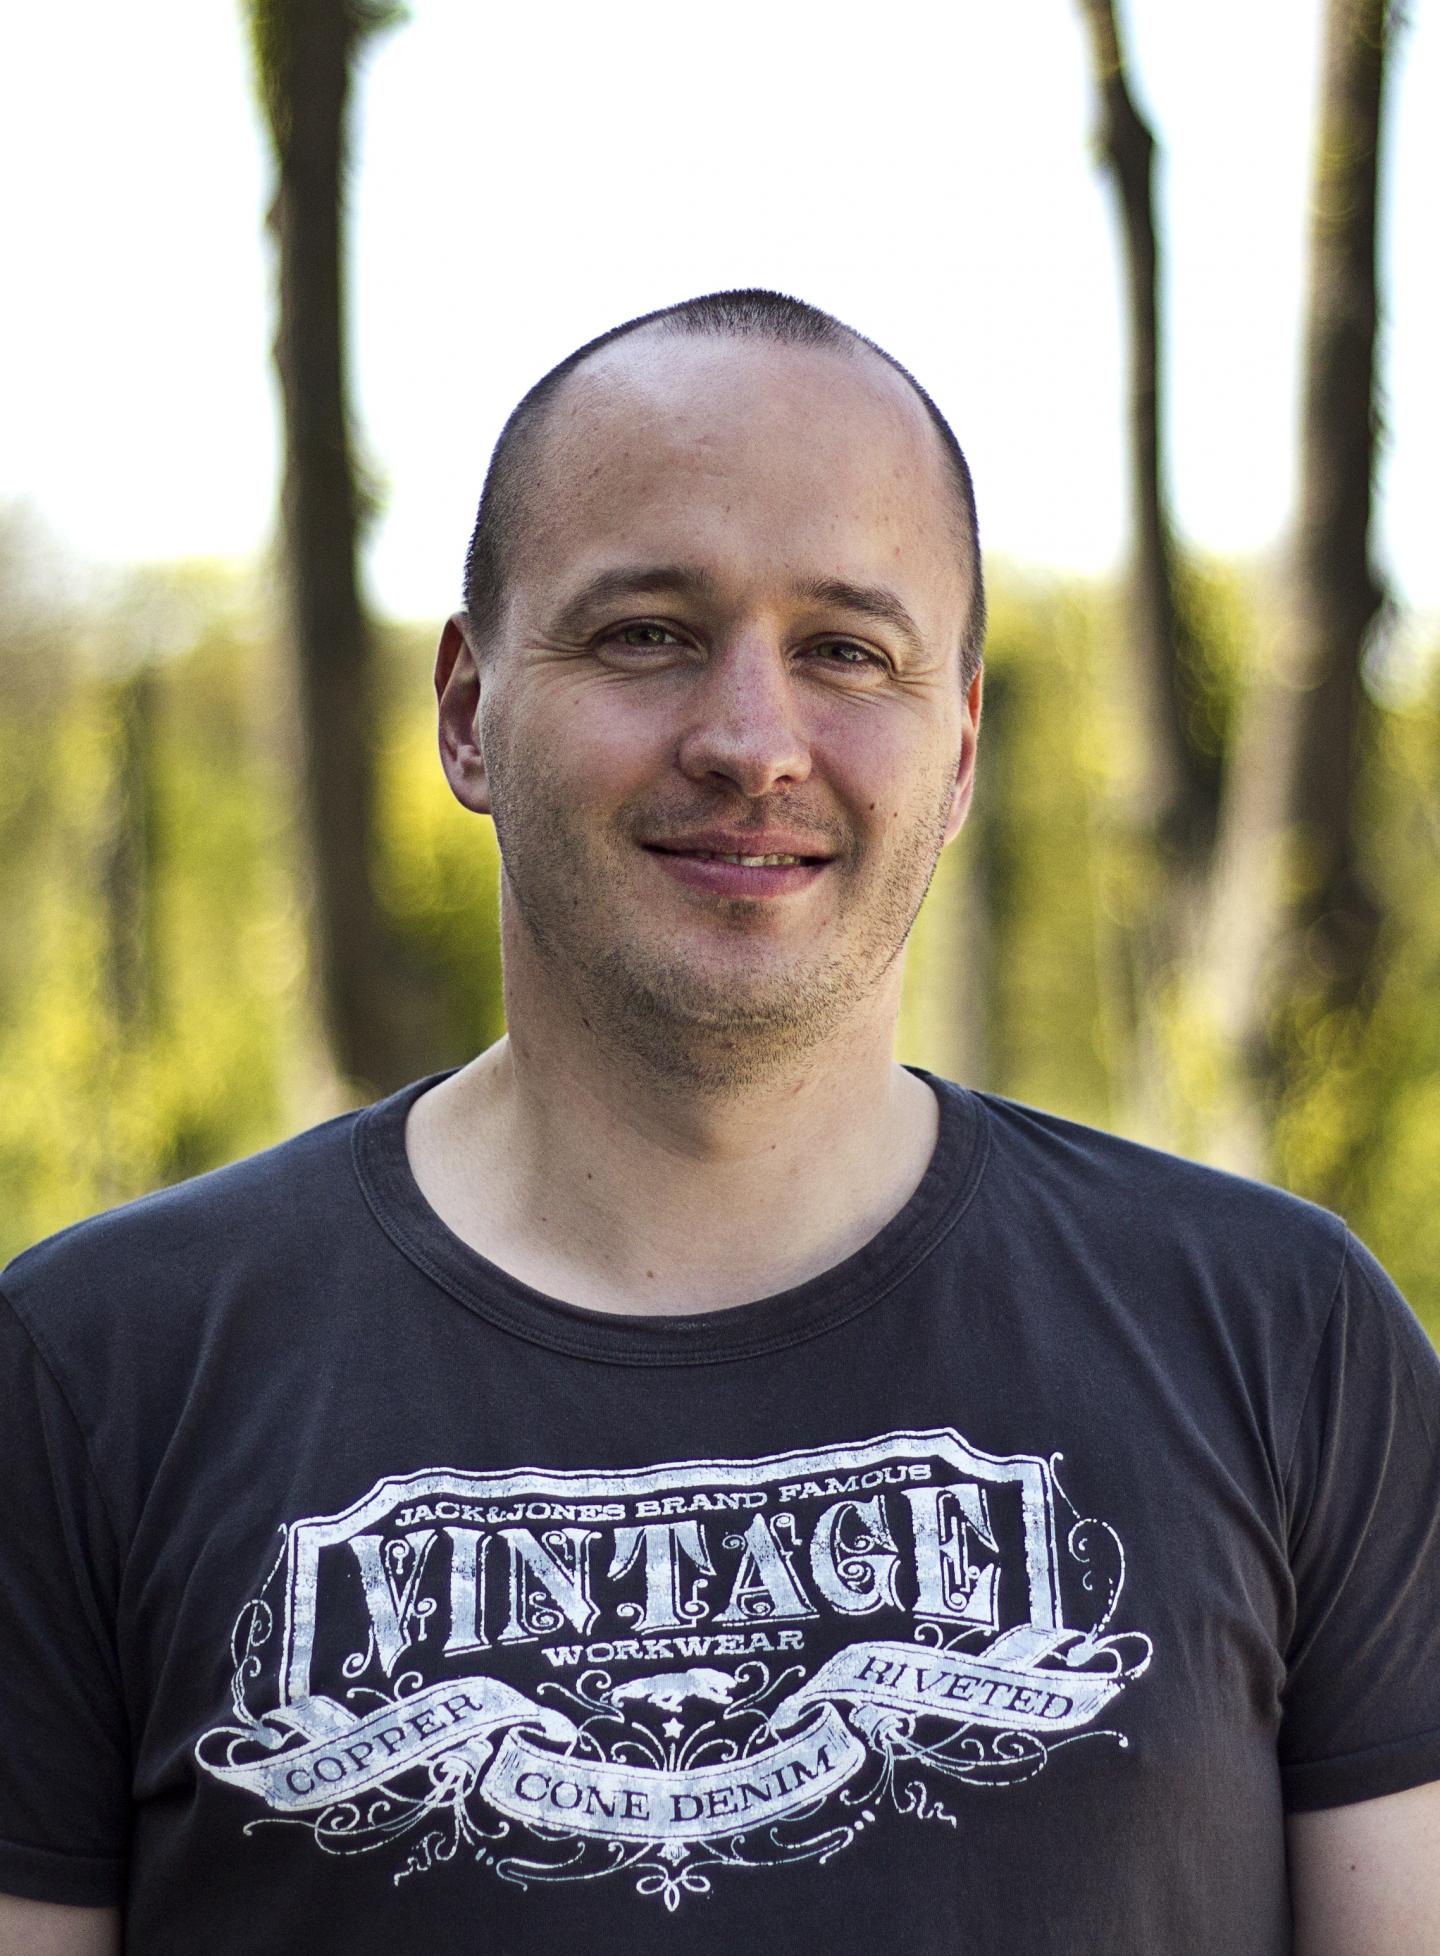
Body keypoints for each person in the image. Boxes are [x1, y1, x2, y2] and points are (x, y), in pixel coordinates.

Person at [2, 289, 1437, 1956]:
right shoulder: (92, 1374)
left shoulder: (1282, 1338)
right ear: (468, 711)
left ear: (960, 749)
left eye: (847, 651)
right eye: (646, 634)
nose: (753, 743)